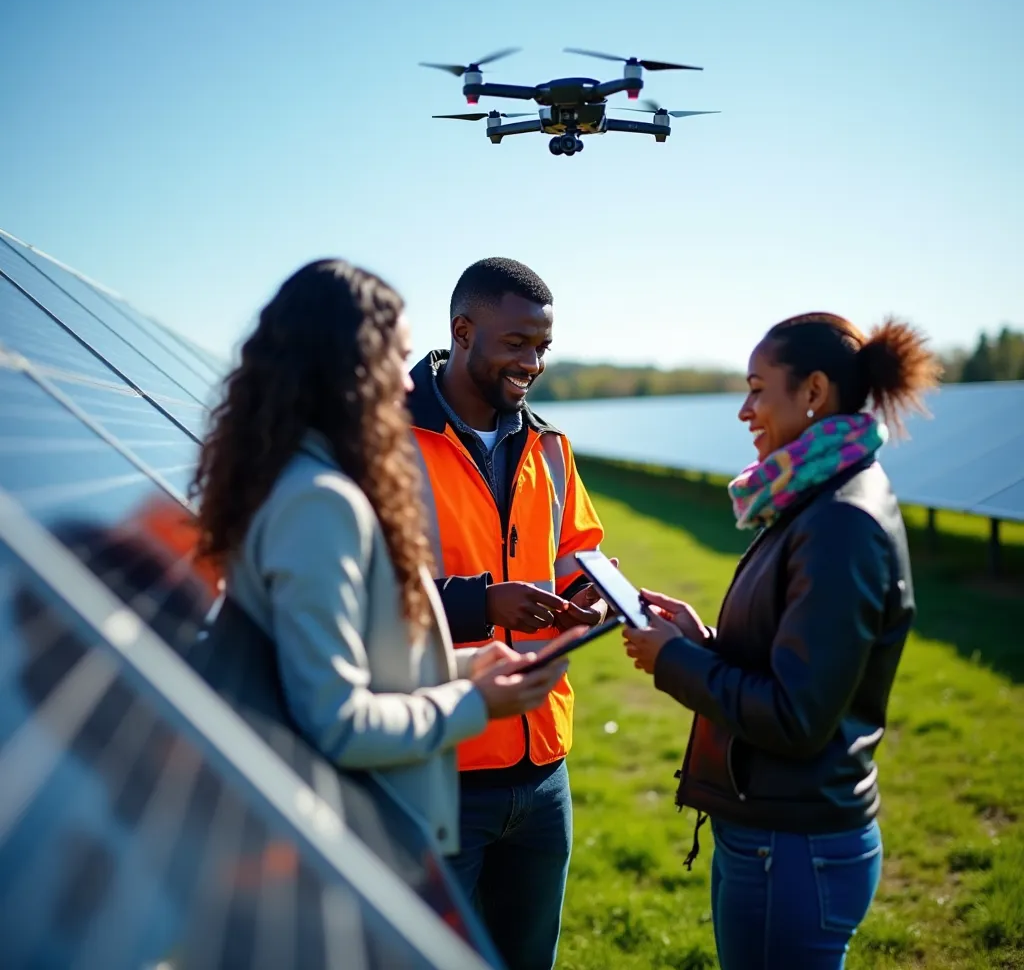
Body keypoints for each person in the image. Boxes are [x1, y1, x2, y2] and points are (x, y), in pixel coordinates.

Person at [189, 259, 570, 858]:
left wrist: (466, 667)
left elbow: (345, 655)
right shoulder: (320, 503)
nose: (408, 382)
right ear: (346, 368)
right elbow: (339, 720)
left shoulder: (294, 478)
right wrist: (476, 700)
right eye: (396, 357)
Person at [622, 311, 941, 970]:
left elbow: (796, 717)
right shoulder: (814, 496)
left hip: (795, 846)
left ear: (814, 392)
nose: (745, 410)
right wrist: (700, 639)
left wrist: (673, 660)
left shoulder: (839, 521)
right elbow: (790, 665)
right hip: (774, 832)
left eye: (757, 388)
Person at [406, 257, 608, 970]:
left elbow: (576, 551)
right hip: (437, 763)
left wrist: (587, 594)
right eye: (518, 344)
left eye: (543, 348)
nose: (534, 363)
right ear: (463, 331)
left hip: (543, 766)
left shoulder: (551, 447)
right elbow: (366, 595)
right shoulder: (386, 444)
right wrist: (481, 602)